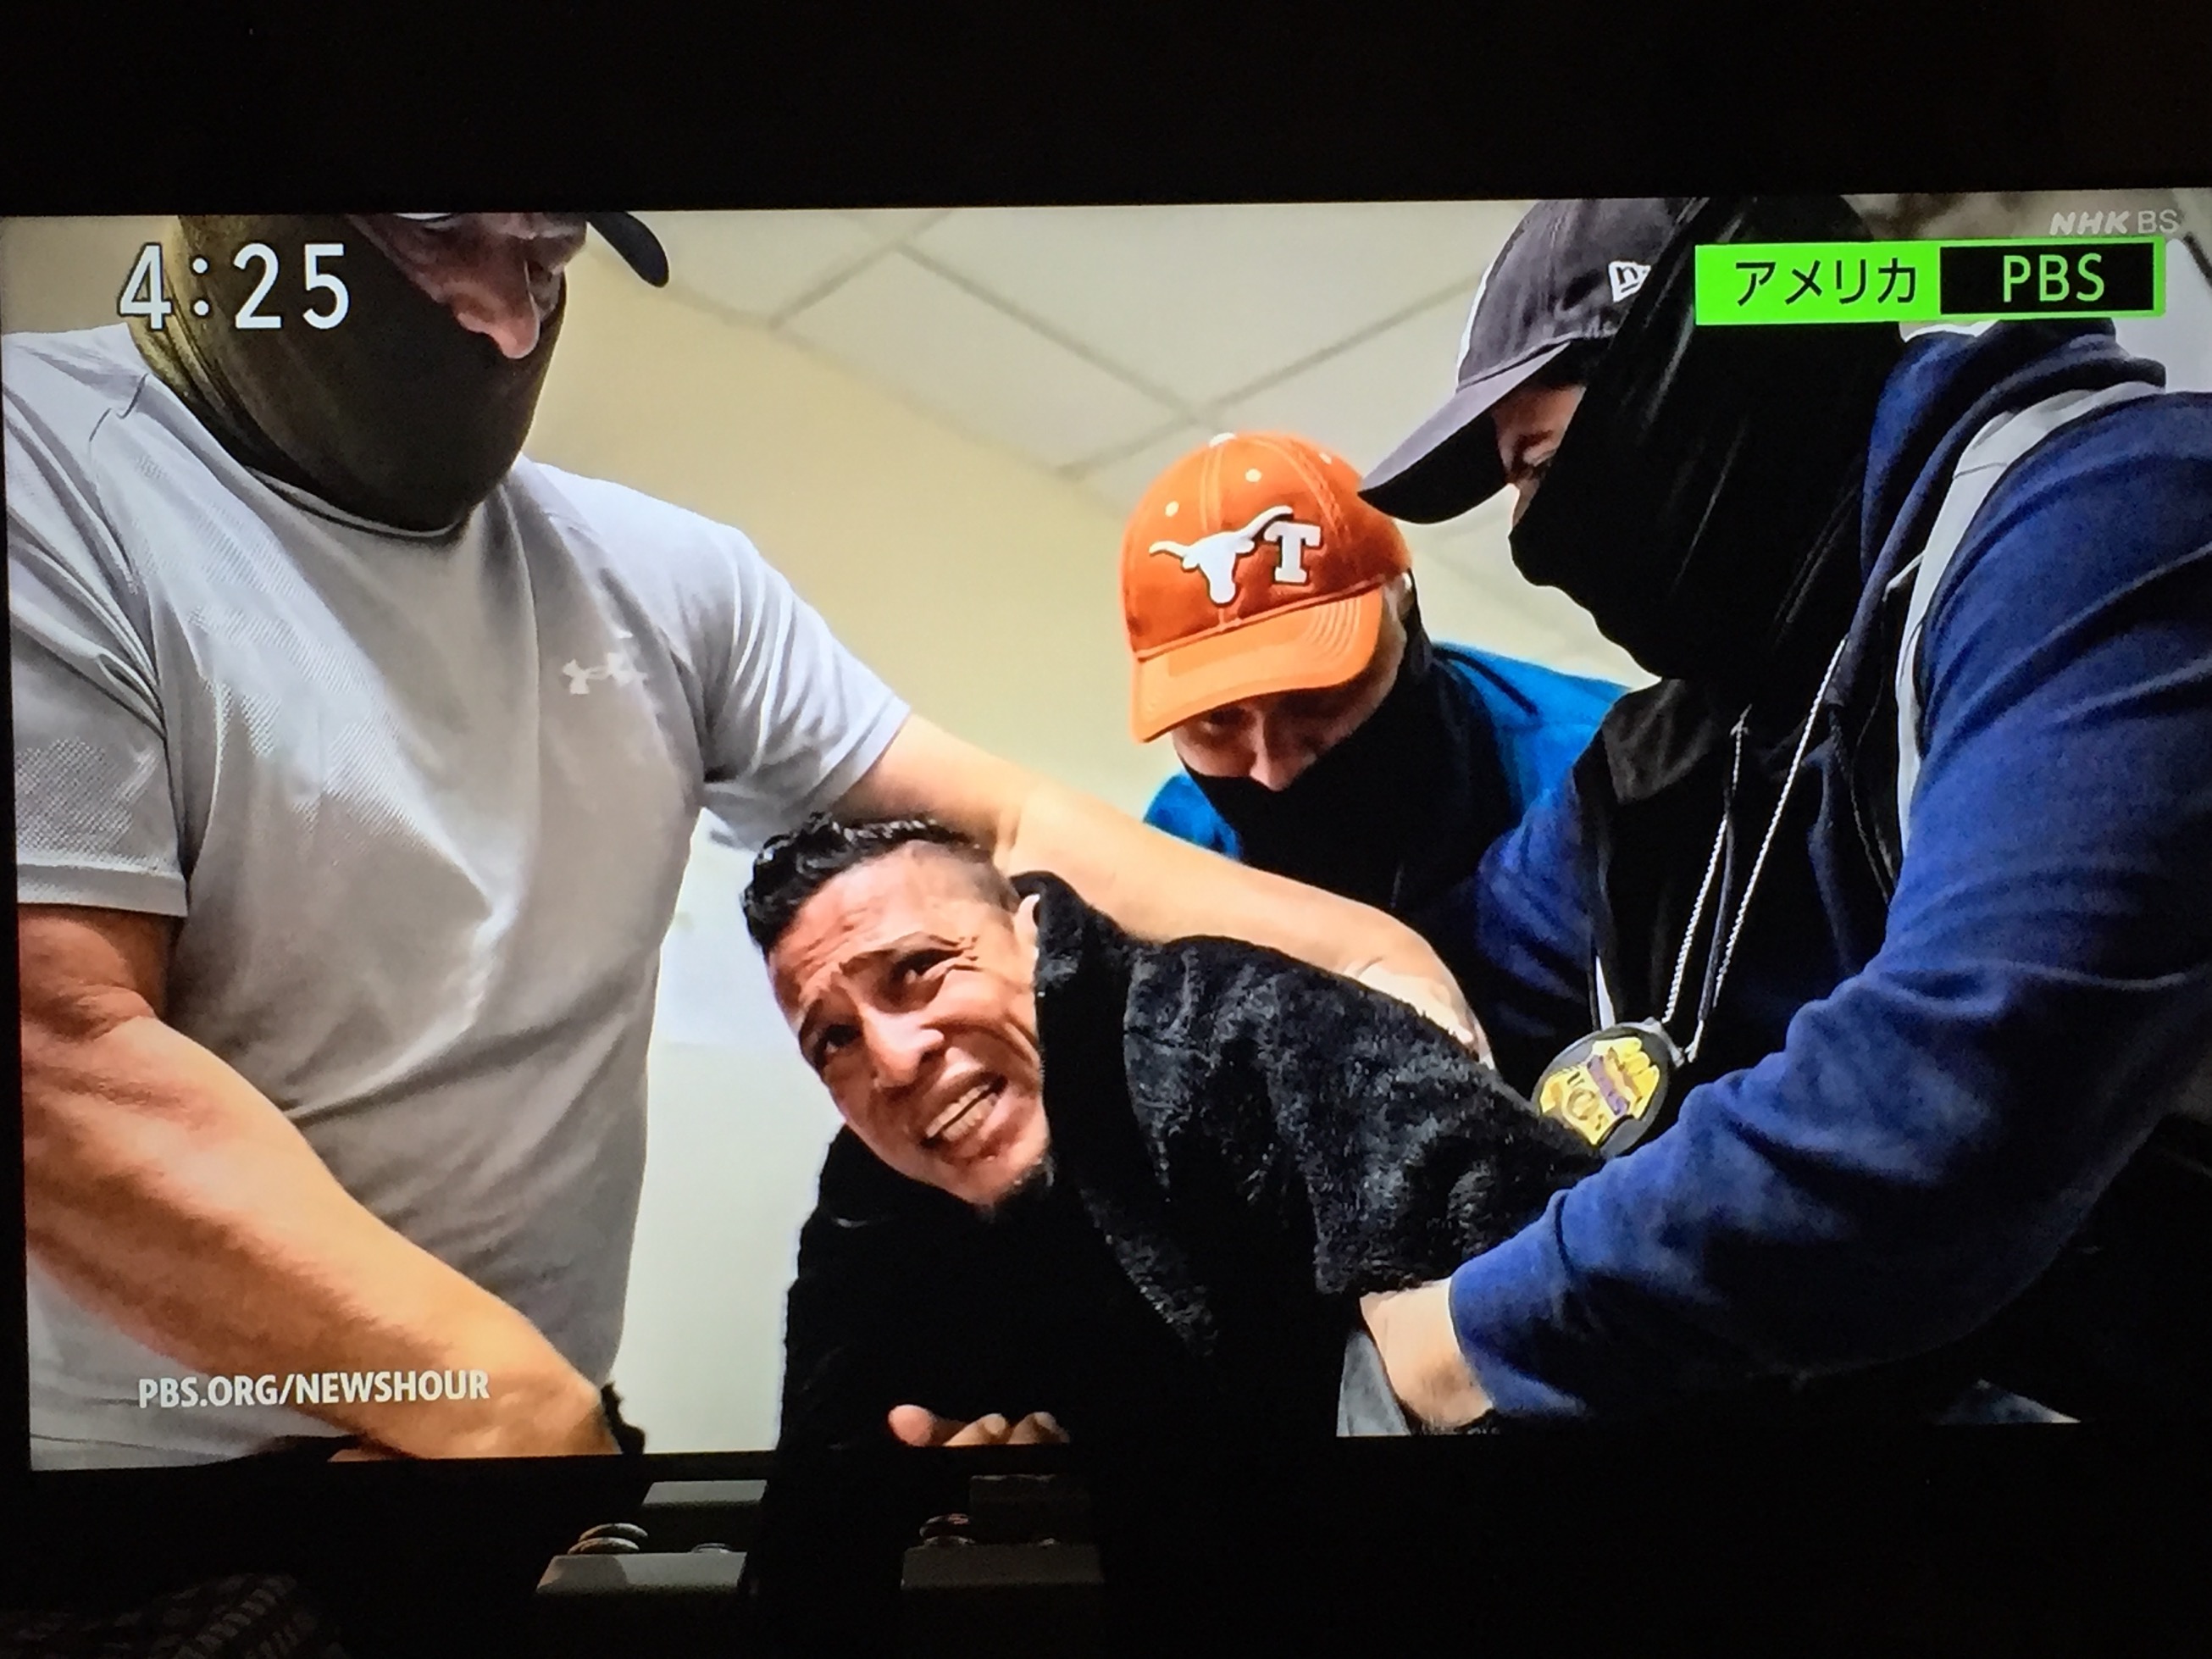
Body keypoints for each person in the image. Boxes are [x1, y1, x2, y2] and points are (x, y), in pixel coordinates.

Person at [8, 212, 1477, 1469]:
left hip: (535, 1438)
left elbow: (1008, 823)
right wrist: (503, 1410)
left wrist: (1371, 964)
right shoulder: (50, 473)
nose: (507, 319)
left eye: (546, 257)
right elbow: (56, 1060)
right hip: (162, 1493)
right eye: (443, 240)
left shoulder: (660, 579)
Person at [1350, 194, 2212, 1428]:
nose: (1531, 538)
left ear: (1701, 369)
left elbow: (1953, 1096)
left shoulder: (2114, 518)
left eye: (1536, 464)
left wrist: (1467, 1339)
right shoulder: (1680, 751)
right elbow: (1427, 979)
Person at [745, 815, 1596, 1452]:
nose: (894, 1061)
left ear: (1033, 934)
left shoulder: (1250, 1033)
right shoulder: (871, 1208)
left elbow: (1576, 1321)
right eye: (834, 1040)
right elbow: (812, 1530)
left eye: (918, 968)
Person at [1126, 430, 1618, 965]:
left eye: (1314, 698)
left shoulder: (1606, 774)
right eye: (1219, 720)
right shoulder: (1182, 843)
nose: (1273, 770)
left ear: (1403, 607)